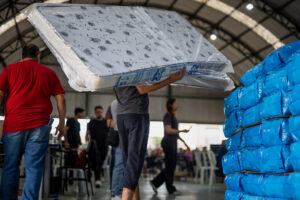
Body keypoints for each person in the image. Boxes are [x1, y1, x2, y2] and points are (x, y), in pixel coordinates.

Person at [0, 43, 66, 200]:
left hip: (13, 126)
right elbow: (61, 99)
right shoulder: (49, 73)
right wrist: (62, 123)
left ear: (21, 56)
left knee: (10, 167)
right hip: (39, 126)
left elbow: (0, 94)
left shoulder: (10, 70)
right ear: (38, 56)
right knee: (34, 169)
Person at [115, 67, 185, 200]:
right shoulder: (134, 62)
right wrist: (171, 79)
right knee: (134, 162)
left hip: (122, 115)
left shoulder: (117, 62)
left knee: (129, 162)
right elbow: (142, 89)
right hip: (136, 114)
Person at [150, 98, 190, 195]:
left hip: (172, 142)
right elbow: (168, 130)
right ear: (171, 105)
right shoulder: (168, 116)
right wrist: (181, 131)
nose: (177, 104)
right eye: (175, 103)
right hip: (168, 143)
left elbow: (175, 133)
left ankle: (155, 182)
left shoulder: (173, 116)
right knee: (170, 166)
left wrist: (185, 143)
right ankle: (170, 189)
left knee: (170, 166)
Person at [86, 105, 109, 188]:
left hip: (104, 146)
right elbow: (87, 134)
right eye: (98, 112)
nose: (99, 113)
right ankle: (97, 179)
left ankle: (96, 176)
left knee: (100, 162)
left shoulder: (106, 122)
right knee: (97, 162)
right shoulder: (91, 122)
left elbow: (109, 133)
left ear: (102, 112)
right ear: (95, 113)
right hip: (94, 146)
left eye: (101, 112)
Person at [110, 99, 124, 200]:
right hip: (122, 134)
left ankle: (117, 191)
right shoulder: (120, 102)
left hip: (120, 134)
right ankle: (116, 192)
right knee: (120, 165)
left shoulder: (115, 102)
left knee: (120, 165)